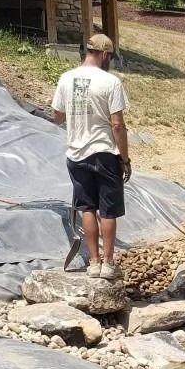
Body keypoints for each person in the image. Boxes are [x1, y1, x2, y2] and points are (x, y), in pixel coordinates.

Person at [51, 34, 131, 279]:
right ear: (105, 55)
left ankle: (93, 263)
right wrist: (125, 159)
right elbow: (117, 125)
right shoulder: (110, 82)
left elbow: (57, 116)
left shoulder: (66, 78)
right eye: (110, 57)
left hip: (76, 154)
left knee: (87, 208)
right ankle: (108, 264)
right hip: (104, 153)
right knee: (108, 210)